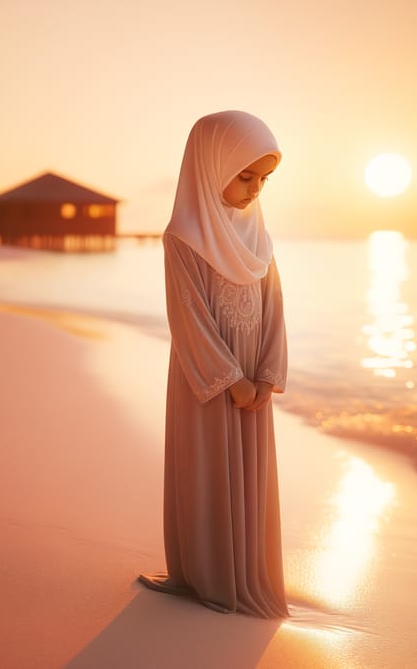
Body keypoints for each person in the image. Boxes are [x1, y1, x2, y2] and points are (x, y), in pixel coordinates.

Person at [139, 110, 289, 618]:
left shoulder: (258, 240)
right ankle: (206, 574)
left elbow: (274, 310)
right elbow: (188, 318)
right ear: (210, 164)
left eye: (264, 179)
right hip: (207, 375)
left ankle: (246, 569)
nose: (255, 189)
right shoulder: (182, 237)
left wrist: (267, 373)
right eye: (245, 175)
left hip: (252, 375)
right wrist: (231, 380)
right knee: (206, 467)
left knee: (249, 476)